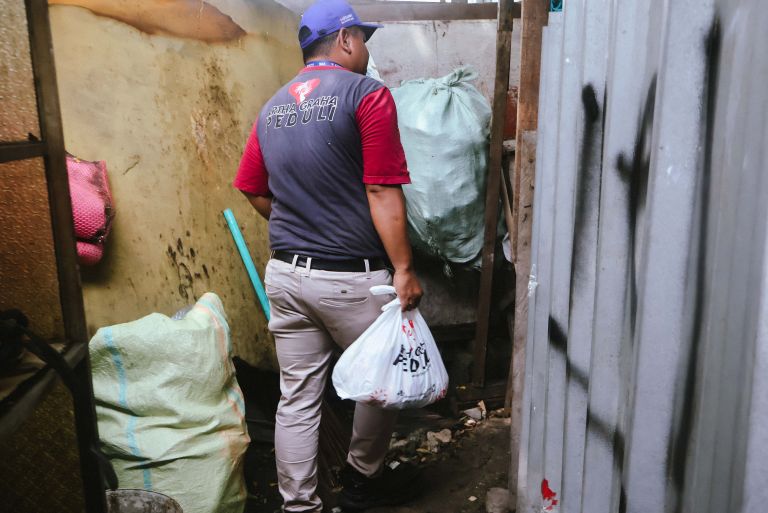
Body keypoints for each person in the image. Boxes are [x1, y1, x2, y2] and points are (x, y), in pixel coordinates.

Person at [232, 0, 423, 511]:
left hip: (287, 278)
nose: (365, 50)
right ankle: (362, 480)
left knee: (297, 399)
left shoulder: (272, 107)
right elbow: (382, 190)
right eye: (362, 39)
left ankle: (300, 506)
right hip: (350, 281)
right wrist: (403, 269)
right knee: (379, 384)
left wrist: (302, 222)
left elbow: (251, 188)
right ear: (344, 40)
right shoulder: (367, 94)